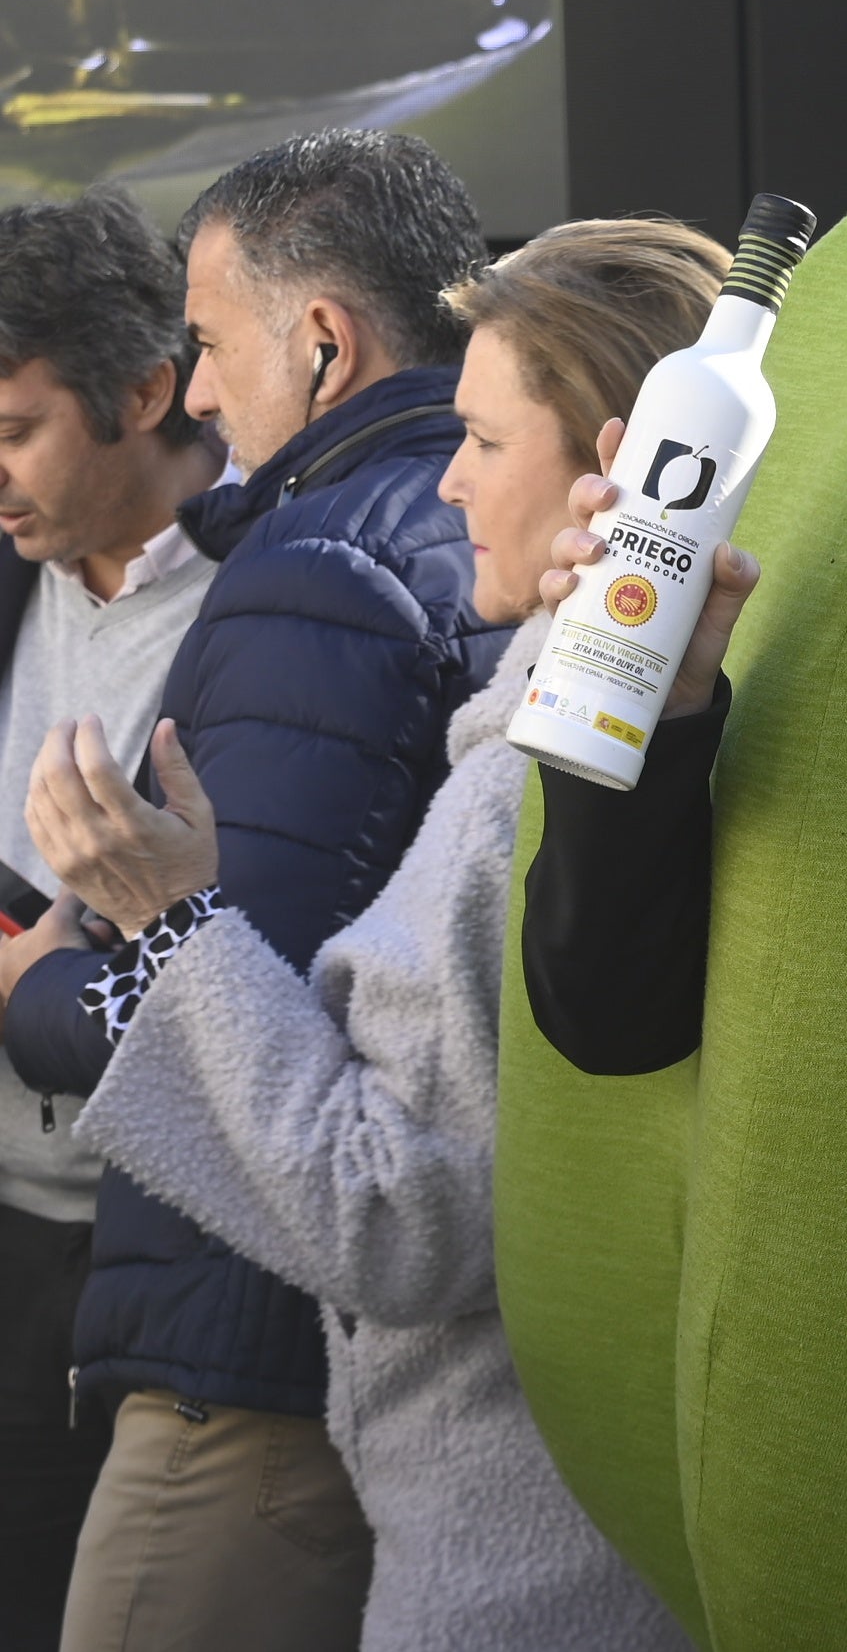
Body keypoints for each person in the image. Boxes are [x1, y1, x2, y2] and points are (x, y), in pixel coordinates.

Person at [21, 220, 725, 1650]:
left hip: (526, 1559)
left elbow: (395, 1214)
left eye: (477, 435)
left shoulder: (538, 781)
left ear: (610, 466)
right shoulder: (607, 744)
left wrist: (167, 918)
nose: (450, 476)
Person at [0, 129, 508, 1652]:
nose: (208, 392)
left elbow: (246, 1004)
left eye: (210, 347)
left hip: (252, 1327)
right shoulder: (427, 558)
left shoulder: (316, 568)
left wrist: (44, 979)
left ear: (327, 342)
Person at [0, 188, 225, 1652]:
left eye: (17, 429)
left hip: (154, 1261)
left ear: (147, 391)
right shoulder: (18, 566)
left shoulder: (275, 589)